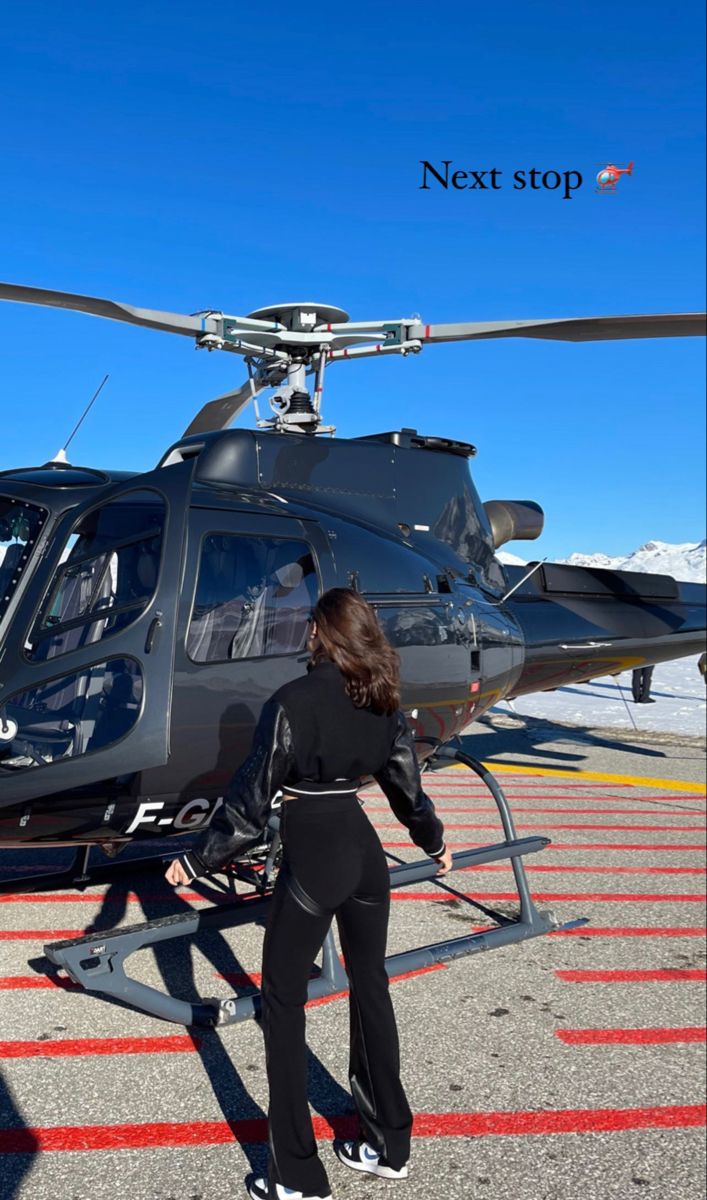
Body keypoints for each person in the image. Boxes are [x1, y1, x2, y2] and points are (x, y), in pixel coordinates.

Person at [166, 588, 451, 1200]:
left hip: (314, 859)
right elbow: (407, 789)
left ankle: (295, 1175)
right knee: (371, 987)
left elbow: (248, 805)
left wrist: (195, 861)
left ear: (321, 633)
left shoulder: (291, 702)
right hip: (365, 853)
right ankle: (387, 1145)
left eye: (310, 627)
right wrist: (433, 842)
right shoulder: (381, 700)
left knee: (284, 1006)